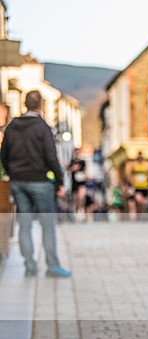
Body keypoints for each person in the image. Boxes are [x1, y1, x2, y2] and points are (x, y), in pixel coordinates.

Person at [0, 90, 71, 277]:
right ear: (40, 105)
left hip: (18, 181)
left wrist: (12, 173)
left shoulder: (12, 126)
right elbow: (51, 157)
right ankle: (52, 265)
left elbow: (3, 155)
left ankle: (29, 266)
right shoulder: (42, 127)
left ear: (25, 104)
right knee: (47, 223)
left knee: (24, 223)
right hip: (39, 180)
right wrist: (59, 182)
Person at [128, 152, 148, 219]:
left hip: (145, 187)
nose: (140, 159)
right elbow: (130, 174)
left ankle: (143, 216)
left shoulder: (147, 165)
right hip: (137, 187)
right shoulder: (134, 165)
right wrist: (131, 182)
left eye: (141, 157)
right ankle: (139, 214)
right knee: (139, 201)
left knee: (145, 204)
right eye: (139, 157)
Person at [67, 148, 87, 221]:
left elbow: (85, 171)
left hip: (81, 182)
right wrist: (73, 168)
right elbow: (68, 170)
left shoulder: (83, 162)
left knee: (81, 197)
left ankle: (81, 211)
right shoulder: (72, 162)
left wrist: (85, 177)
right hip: (74, 183)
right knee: (75, 198)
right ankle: (76, 212)